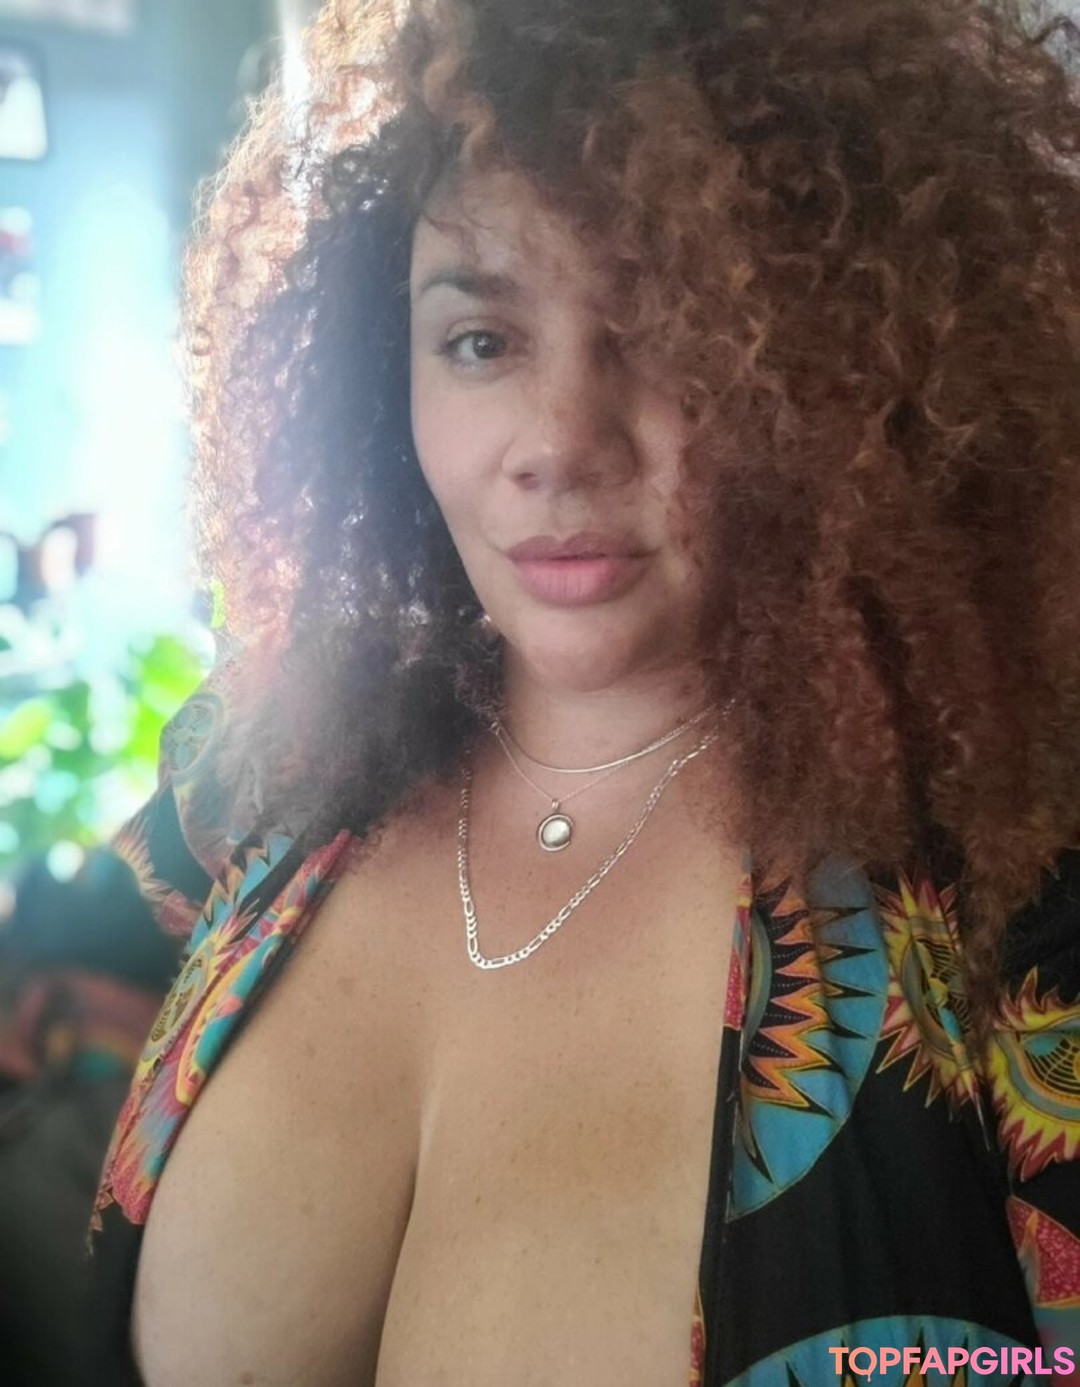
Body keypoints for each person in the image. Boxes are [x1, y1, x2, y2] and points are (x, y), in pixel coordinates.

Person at [86, 0, 1080, 1382]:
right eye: (481, 341)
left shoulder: (1016, 899)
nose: (556, 441)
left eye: (666, 330)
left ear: (846, 373)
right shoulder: (269, 755)